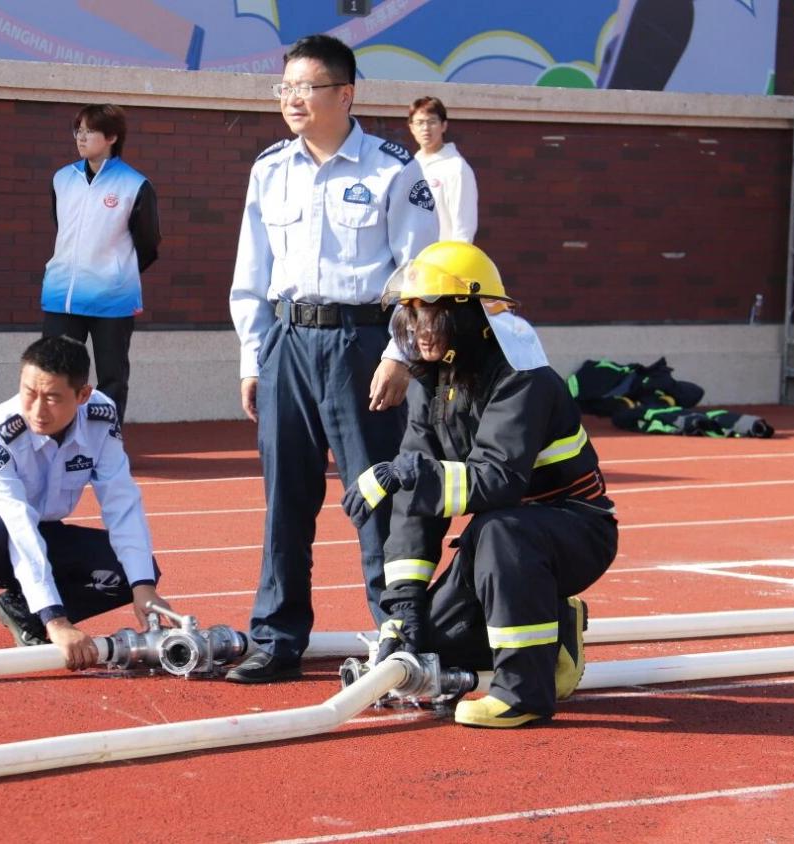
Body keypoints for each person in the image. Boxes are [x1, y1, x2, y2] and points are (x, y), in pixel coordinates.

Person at [226, 34, 440, 683]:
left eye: (306, 87)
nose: (292, 98)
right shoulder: (269, 168)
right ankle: (276, 638)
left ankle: (398, 636)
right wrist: (252, 357)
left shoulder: (391, 169)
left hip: (362, 346)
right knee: (284, 501)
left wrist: (400, 354)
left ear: (345, 95)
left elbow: (420, 273)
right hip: (287, 343)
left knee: (376, 497)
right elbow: (250, 273)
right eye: (285, 87)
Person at [340, 241, 618, 727]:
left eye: (434, 314)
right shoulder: (431, 381)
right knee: (433, 643)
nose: (420, 329)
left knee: (500, 529)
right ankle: (556, 629)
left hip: (574, 530)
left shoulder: (522, 378)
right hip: (503, 542)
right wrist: (402, 610)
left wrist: (407, 473)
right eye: (412, 314)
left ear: (473, 315)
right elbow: (417, 504)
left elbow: (497, 480)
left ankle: (523, 696)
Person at [0, 335, 173, 669]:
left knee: (131, 569)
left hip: (41, 530)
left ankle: (24, 613)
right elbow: (15, 522)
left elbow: (121, 501)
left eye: (53, 398)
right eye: (29, 393)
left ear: (83, 395)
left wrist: (143, 587)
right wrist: (56, 619)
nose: (38, 410)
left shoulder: (100, 417)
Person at [40, 103, 161, 426]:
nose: (81, 137)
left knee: (112, 378)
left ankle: (106, 441)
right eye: (78, 130)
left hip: (113, 301)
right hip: (62, 297)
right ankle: (57, 440)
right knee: (55, 373)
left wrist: (117, 273)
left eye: (90, 131)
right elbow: (64, 229)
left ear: (111, 137)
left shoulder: (135, 185)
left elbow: (148, 244)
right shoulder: (62, 179)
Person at [408, 96, 477, 243]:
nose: (425, 128)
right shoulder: (410, 166)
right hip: (414, 255)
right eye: (420, 122)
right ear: (412, 128)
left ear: (444, 126)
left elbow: (464, 229)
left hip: (443, 254)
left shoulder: (456, 168)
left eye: (432, 122)